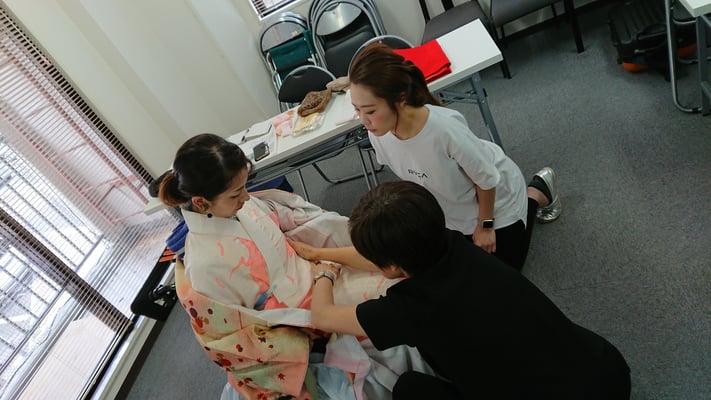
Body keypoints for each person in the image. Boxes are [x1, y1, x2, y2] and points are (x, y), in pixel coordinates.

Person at [296, 180, 631, 399]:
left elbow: (322, 316)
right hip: (607, 372)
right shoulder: (454, 243)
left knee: (410, 389)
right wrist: (321, 253)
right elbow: (391, 259)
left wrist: (324, 272)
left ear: (393, 265)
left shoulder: (409, 307)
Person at [158, 133, 433, 399]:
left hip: (315, 272)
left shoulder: (237, 206)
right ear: (201, 202)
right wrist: (319, 284)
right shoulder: (204, 265)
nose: (246, 198)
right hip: (295, 316)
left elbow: (285, 228)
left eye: (244, 187)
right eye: (236, 194)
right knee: (393, 305)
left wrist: (319, 257)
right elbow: (244, 329)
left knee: (397, 272)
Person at [347, 42, 562, 270]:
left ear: (400, 98)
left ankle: (536, 192)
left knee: (505, 272)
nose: (363, 120)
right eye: (357, 109)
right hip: (454, 210)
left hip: (496, 200)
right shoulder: (379, 133)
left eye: (370, 111)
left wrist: (485, 225)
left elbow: (486, 179)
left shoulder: (443, 129)